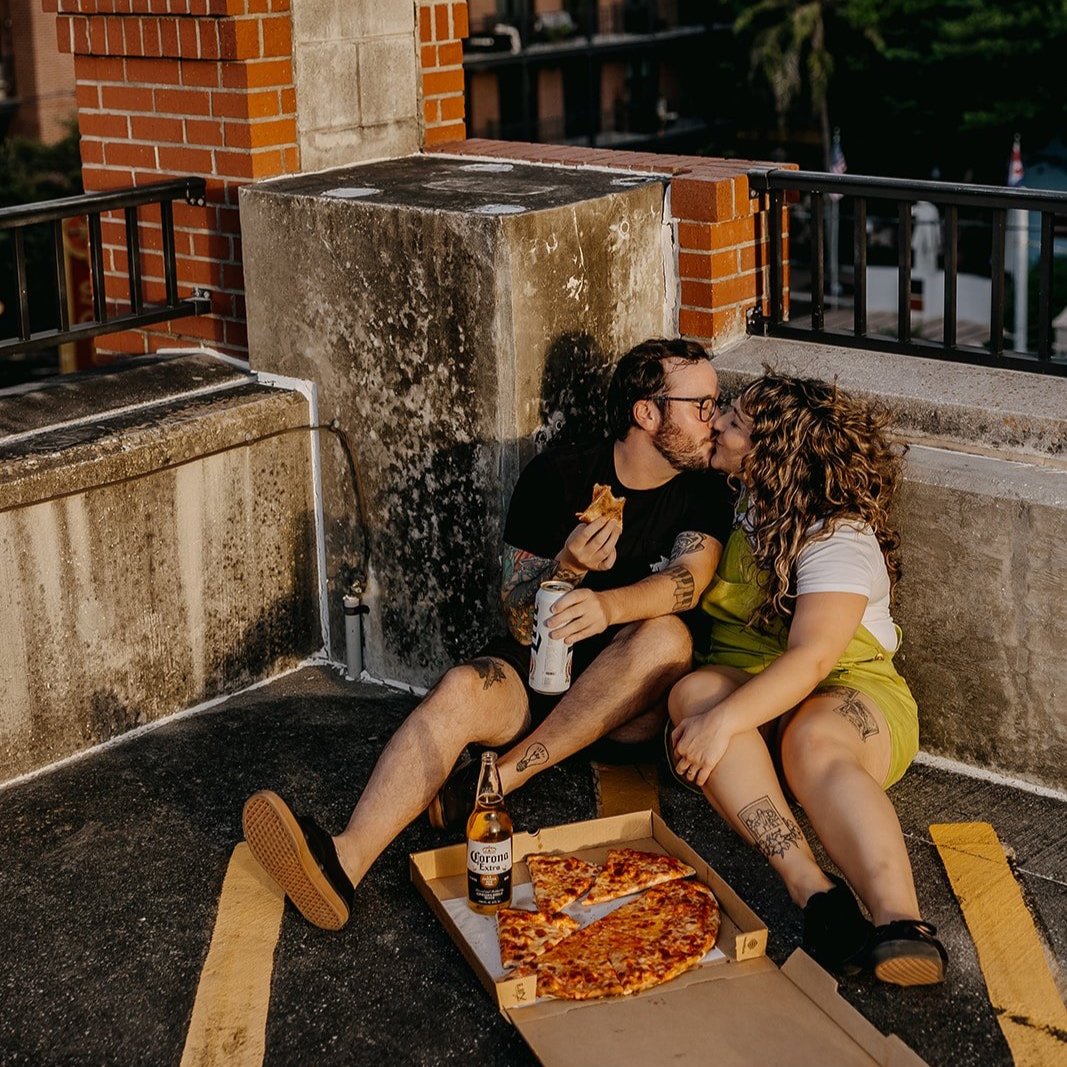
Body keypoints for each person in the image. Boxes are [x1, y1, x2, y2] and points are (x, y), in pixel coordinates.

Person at [242, 337, 734, 931]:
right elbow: (519, 619)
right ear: (647, 412)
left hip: (627, 704)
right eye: (702, 405)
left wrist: (604, 608)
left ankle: (497, 778)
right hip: (541, 675)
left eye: (715, 403)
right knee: (458, 689)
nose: (714, 419)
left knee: (668, 639)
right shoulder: (559, 476)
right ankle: (343, 861)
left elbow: (690, 580)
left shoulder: (703, 490)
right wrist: (567, 570)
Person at [667, 372, 948, 987]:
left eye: (735, 423)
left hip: (849, 692)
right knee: (693, 694)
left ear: (776, 452)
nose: (716, 424)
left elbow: (815, 658)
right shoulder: (739, 500)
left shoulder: (836, 535)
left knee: (812, 736)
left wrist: (724, 724)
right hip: (754, 688)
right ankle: (815, 894)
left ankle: (901, 923)